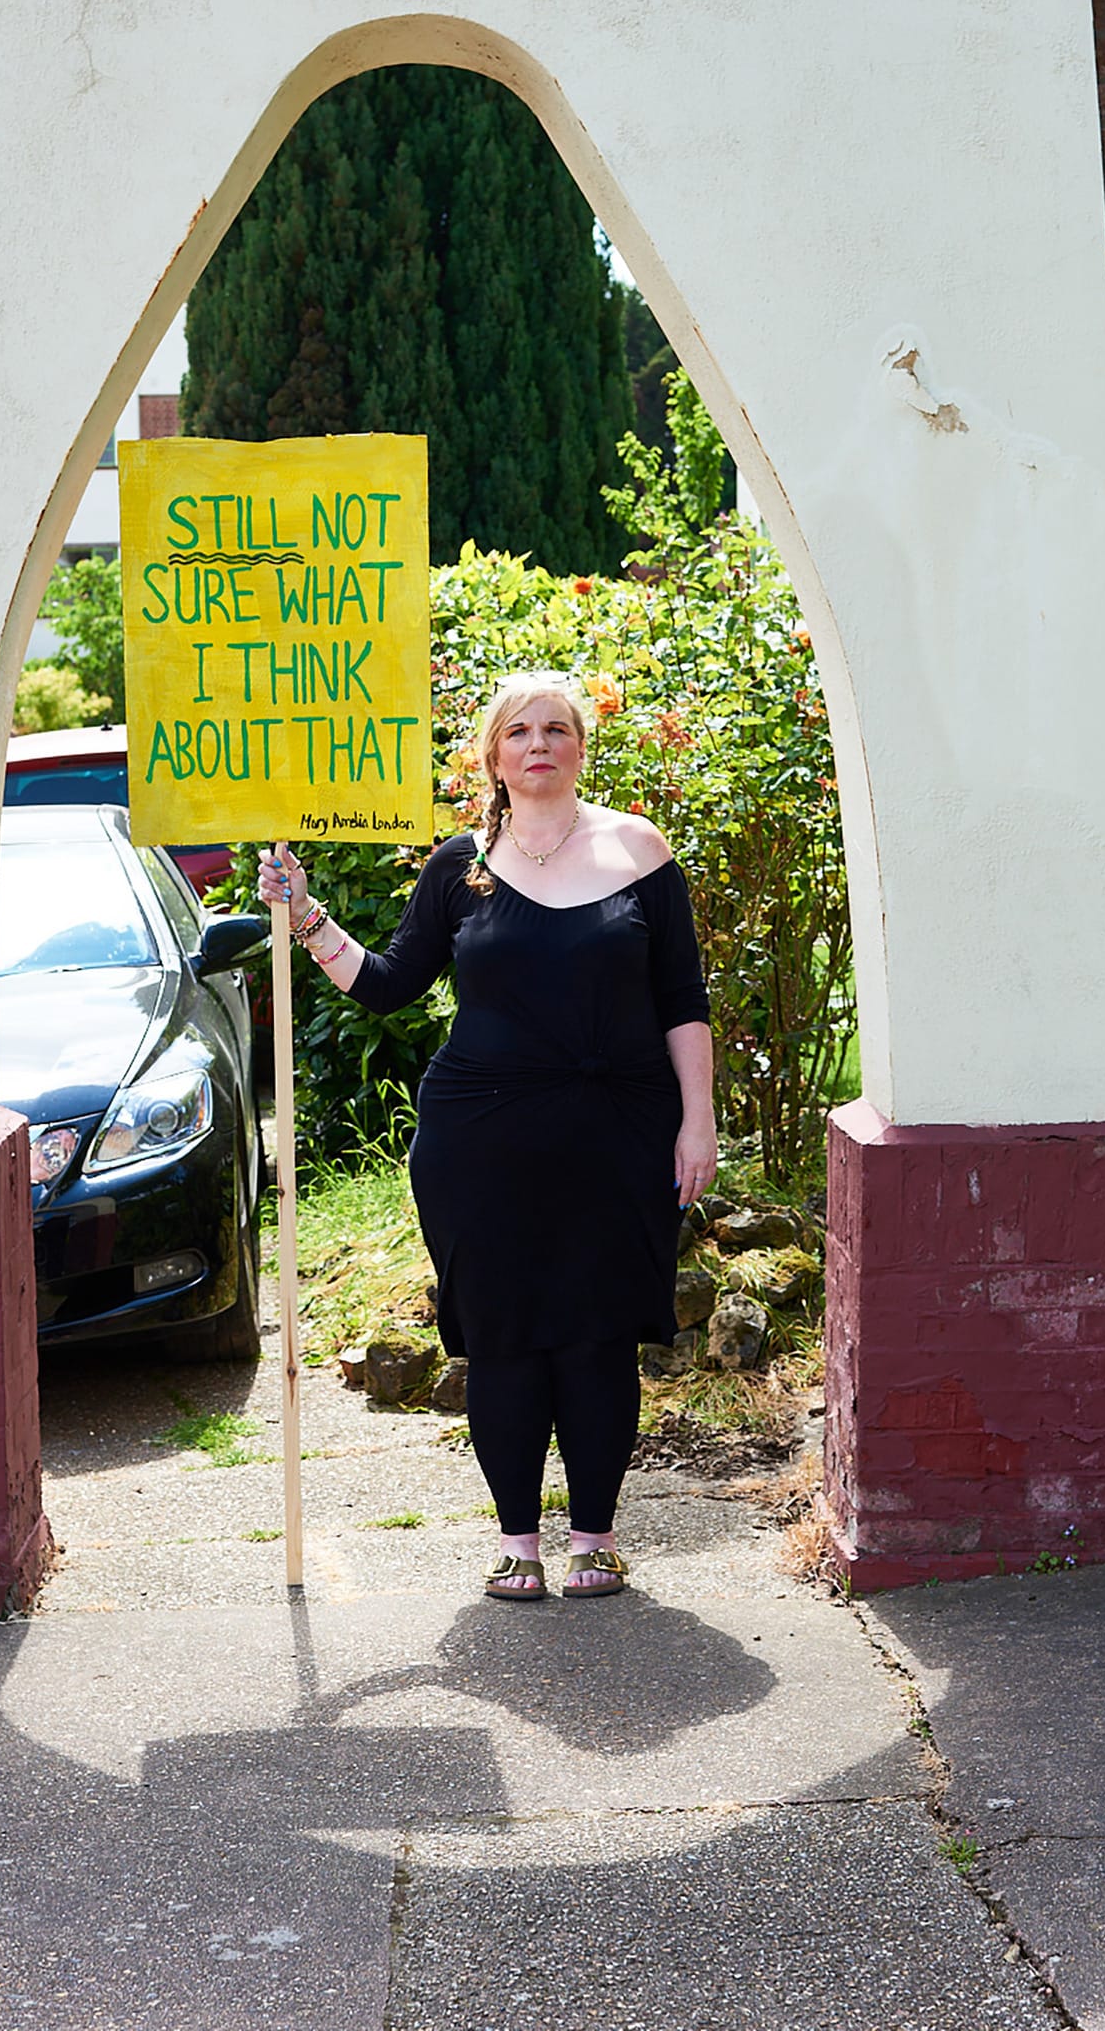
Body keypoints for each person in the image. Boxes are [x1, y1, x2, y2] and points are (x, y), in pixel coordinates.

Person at [258, 671, 716, 1602]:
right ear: (493, 754)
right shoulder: (458, 865)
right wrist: (304, 915)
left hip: (619, 1136)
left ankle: (593, 1538)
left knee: (597, 1339)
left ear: (582, 747)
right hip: (481, 1143)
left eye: (556, 729)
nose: (538, 744)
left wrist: (696, 1118)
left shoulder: (637, 849)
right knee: (503, 1341)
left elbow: (681, 1001)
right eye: (519, 732)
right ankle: (518, 1544)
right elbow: (388, 983)